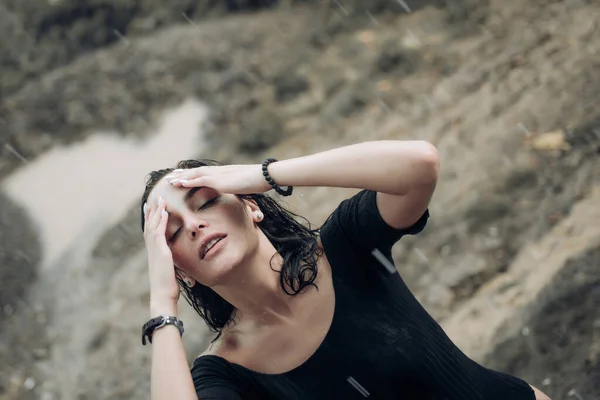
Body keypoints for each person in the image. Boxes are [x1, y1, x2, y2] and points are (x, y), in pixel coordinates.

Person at [140, 140, 551, 400]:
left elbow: (420, 166)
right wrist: (162, 299)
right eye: (173, 233)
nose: (193, 225)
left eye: (206, 201)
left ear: (249, 206)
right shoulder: (227, 373)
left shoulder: (342, 247)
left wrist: (263, 174)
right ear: (179, 269)